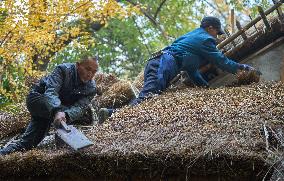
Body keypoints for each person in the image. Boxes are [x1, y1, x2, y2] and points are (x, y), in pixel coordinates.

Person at [97, 16, 259, 123]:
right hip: (164, 63)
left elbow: (192, 72)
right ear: (210, 28)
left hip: (160, 62)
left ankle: (115, 115)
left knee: (151, 96)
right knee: (149, 96)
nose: (217, 37)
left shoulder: (190, 38)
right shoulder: (205, 39)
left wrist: (206, 88)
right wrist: (242, 68)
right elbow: (221, 61)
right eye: (217, 32)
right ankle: (111, 114)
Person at [0, 56, 98, 155]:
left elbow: (80, 107)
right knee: (76, 115)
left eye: (94, 72)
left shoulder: (92, 88)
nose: (90, 74)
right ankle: (62, 148)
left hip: (52, 113)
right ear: (78, 65)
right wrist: (57, 111)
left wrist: (66, 115)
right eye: (88, 69)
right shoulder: (63, 70)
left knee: (27, 144)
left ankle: (2, 154)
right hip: (38, 99)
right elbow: (51, 92)